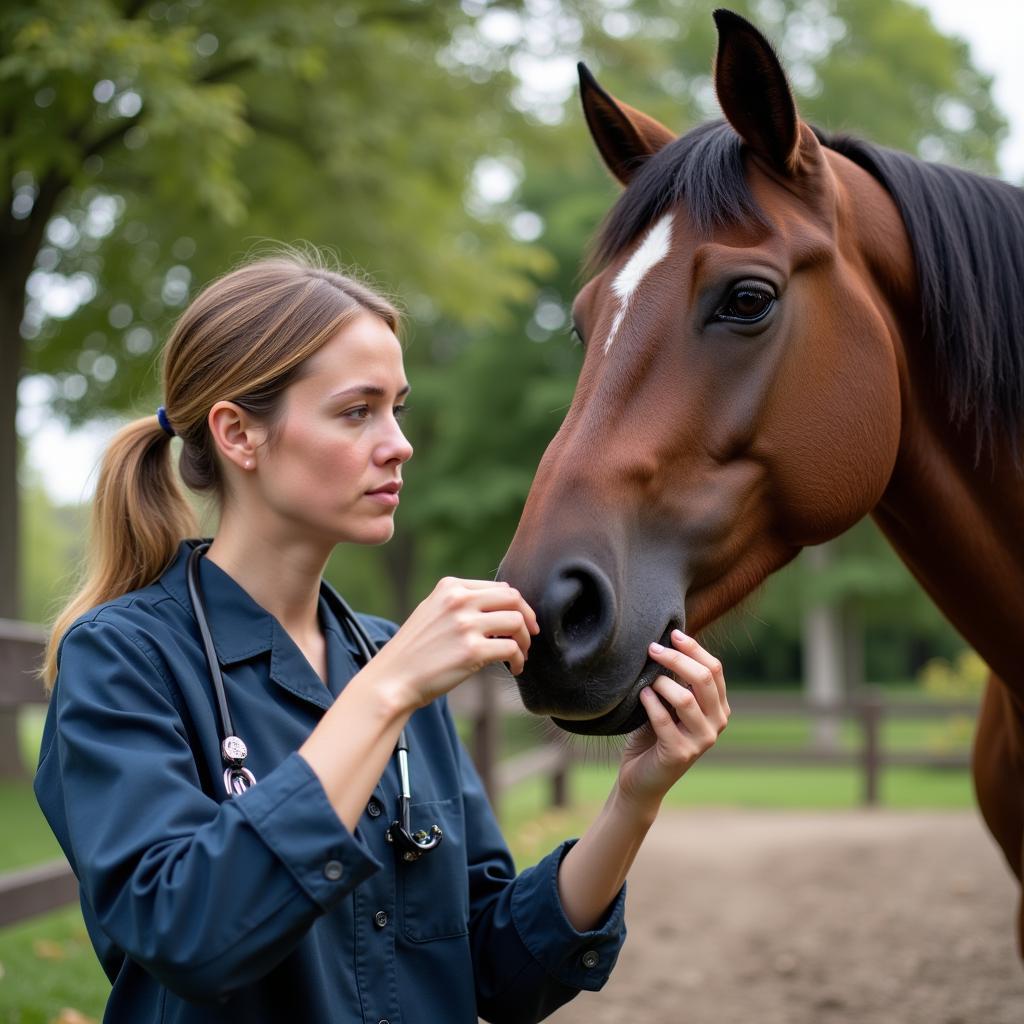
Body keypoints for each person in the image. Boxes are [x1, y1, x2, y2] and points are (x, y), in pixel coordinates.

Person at [34, 251, 730, 1024]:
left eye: (397, 407)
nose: (398, 442)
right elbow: (187, 931)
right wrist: (387, 693)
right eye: (356, 411)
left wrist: (635, 797)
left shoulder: (385, 656)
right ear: (238, 434)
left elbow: (494, 969)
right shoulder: (123, 658)